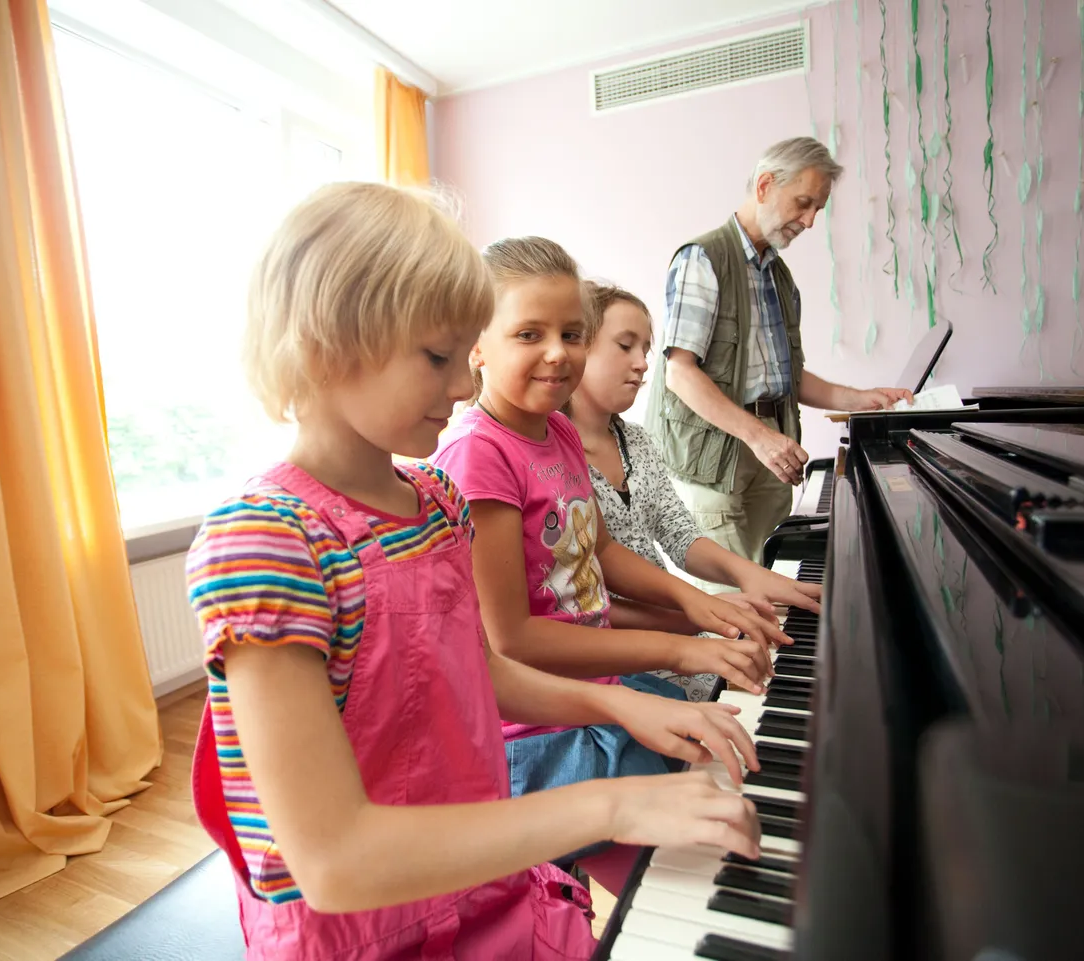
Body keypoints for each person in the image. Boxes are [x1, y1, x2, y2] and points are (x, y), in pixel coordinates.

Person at [186, 183, 762, 961]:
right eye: (437, 357)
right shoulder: (269, 542)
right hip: (365, 935)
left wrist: (617, 708)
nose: (463, 386)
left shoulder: (433, 503)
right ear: (327, 344)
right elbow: (333, 861)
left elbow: (477, 670)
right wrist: (613, 804)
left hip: (483, 882)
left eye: (463, 356)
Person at [430, 237, 792, 811]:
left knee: (733, 770)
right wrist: (679, 650)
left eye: (571, 334)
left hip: (602, 687)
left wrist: (697, 604)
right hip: (541, 732)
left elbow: (599, 548)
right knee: (692, 846)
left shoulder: (561, 431)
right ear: (477, 345)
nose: (558, 353)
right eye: (530, 334)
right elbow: (513, 640)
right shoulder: (480, 456)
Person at [645, 136, 913, 570]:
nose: (809, 222)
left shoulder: (779, 276)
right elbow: (680, 373)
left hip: (769, 451)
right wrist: (759, 436)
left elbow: (791, 376)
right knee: (732, 606)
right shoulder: (703, 259)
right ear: (765, 185)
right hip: (718, 455)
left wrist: (863, 399)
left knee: (773, 586)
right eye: (803, 203)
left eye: (817, 210)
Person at [567, 281, 824, 701]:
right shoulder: (555, 457)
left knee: (777, 681)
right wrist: (702, 618)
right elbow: (579, 602)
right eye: (625, 346)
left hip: (673, 627)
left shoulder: (637, 442)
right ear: (580, 346)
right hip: (619, 650)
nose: (642, 364)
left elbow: (680, 535)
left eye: (646, 350)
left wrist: (754, 576)